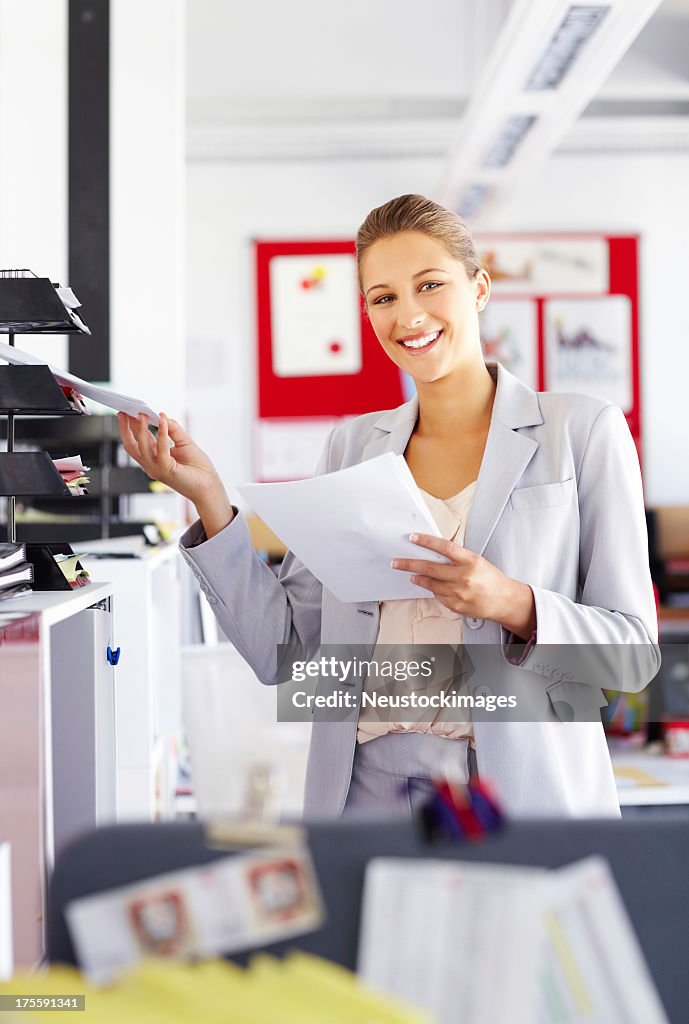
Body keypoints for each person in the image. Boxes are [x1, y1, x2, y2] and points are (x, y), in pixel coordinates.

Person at [118, 194, 660, 819]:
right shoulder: (352, 447)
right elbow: (282, 651)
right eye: (383, 297)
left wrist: (510, 601)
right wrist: (210, 498)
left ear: (479, 288)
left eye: (430, 285)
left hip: (525, 798)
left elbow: (633, 655)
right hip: (367, 796)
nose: (409, 315)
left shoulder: (582, 431)